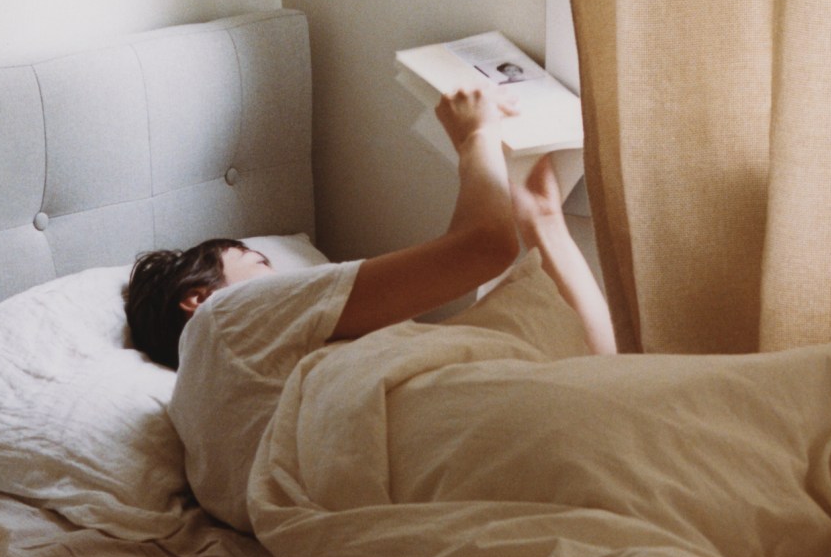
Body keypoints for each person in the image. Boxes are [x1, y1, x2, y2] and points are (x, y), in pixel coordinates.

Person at [125, 87, 614, 530]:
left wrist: (542, 217)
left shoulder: (209, 460)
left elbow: (597, 370)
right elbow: (483, 248)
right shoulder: (226, 319)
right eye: (259, 263)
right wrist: (476, 136)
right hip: (492, 458)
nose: (281, 281)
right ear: (199, 297)